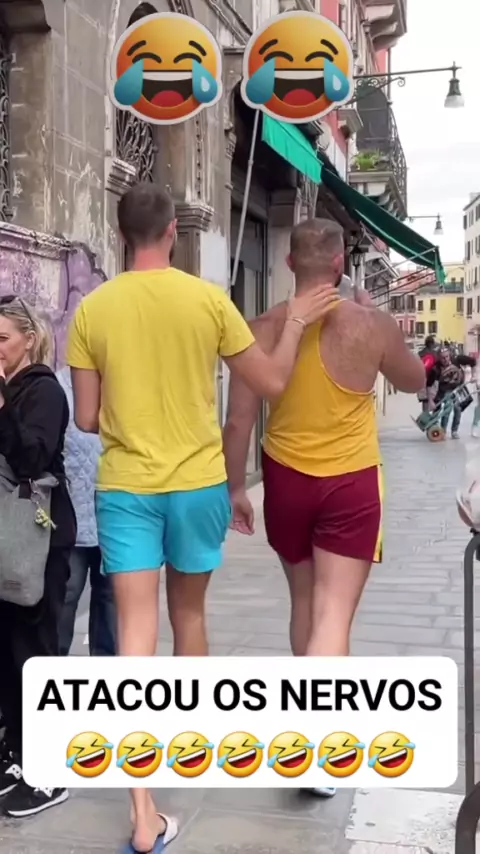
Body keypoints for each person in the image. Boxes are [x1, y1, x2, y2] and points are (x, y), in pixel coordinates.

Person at [65, 184, 340, 854]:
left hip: (127, 487)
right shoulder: (209, 300)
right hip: (197, 485)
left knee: (133, 638)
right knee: (189, 618)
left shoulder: (92, 309)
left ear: (121, 233)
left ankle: (143, 814)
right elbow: (271, 382)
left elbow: (88, 418)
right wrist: (295, 321)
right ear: (172, 233)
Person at [223, 219, 425, 796]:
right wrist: (377, 321)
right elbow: (414, 380)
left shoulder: (260, 328)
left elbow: (238, 422)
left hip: (285, 479)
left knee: (306, 604)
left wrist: (236, 489)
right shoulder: (371, 324)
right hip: (351, 483)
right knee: (333, 616)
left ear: (290, 264)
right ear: (339, 264)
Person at [0, 295, 76, 817]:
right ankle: (17, 755)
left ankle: (49, 772)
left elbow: (31, 457)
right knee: (7, 654)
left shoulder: (43, 391)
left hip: (38, 538)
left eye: (2, 339)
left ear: (28, 339)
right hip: (7, 538)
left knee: (35, 652)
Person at [56, 366, 116, 656]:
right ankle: (51, 665)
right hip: (72, 516)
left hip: (117, 513)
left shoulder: (126, 382)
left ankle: (106, 671)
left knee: (110, 599)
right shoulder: (59, 386)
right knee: (66, 594)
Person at [428, 347, 476, 439]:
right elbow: (429, 385)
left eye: (447, 357)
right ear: (439, 358)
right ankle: (442, 431)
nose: (445, 359)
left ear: (450, 355)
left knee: (457, 409)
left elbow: (473, 362)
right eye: (443, 358)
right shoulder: (436, 368)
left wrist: (473, 376)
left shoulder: (457, 360)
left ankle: (454, 431)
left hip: (458, 388)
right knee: (447, 409)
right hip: (444, 390)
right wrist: (430, 400)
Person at [417, 335, 438, 413]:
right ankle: (433, 418)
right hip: (433, 380)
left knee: (425, 401)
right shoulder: (435, 354)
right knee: (434, 401)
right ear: (432, 344)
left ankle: (425, 416)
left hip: (423, 379)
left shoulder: (420, 353)